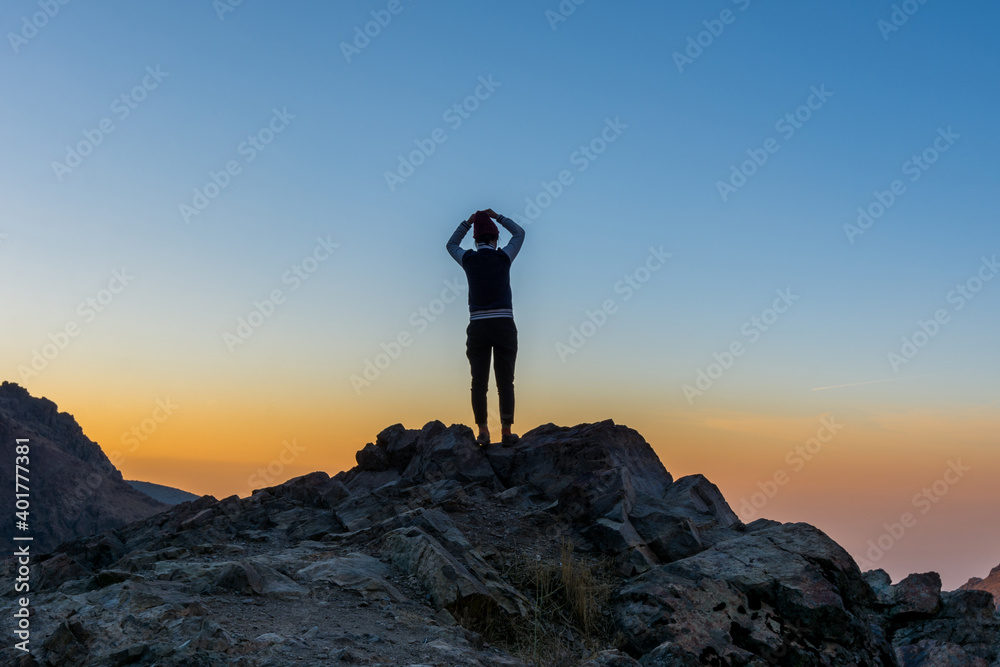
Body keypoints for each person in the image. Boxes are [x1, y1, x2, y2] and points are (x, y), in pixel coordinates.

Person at [446, 208, 525, 446]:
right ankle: (507, 432)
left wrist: (468, 222)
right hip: (504, 325)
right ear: (495, 238)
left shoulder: (469, 259)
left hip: (478, 326)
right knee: (505, 382)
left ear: (475, 239)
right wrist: (498, 216)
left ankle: (483, 431)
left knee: (478, 383)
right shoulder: (504, 257)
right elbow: (519, 234)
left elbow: (451, 245)